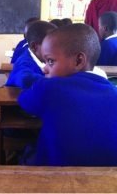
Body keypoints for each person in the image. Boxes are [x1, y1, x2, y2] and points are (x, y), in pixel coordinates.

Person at [18, 23, 117, 166]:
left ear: (79, 61)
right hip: (107, 180)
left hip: (54, 177)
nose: (45, 69)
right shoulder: (113, 91)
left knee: (28, 151)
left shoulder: (48, 88)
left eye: (50, 61)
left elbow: (24, 102)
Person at [6, 20, 57, 89]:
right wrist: (57, 82)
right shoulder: (24, 62)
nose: (57, 49)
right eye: (52, 45)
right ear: (34, 46)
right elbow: (25, 78)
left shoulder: (45, 60)